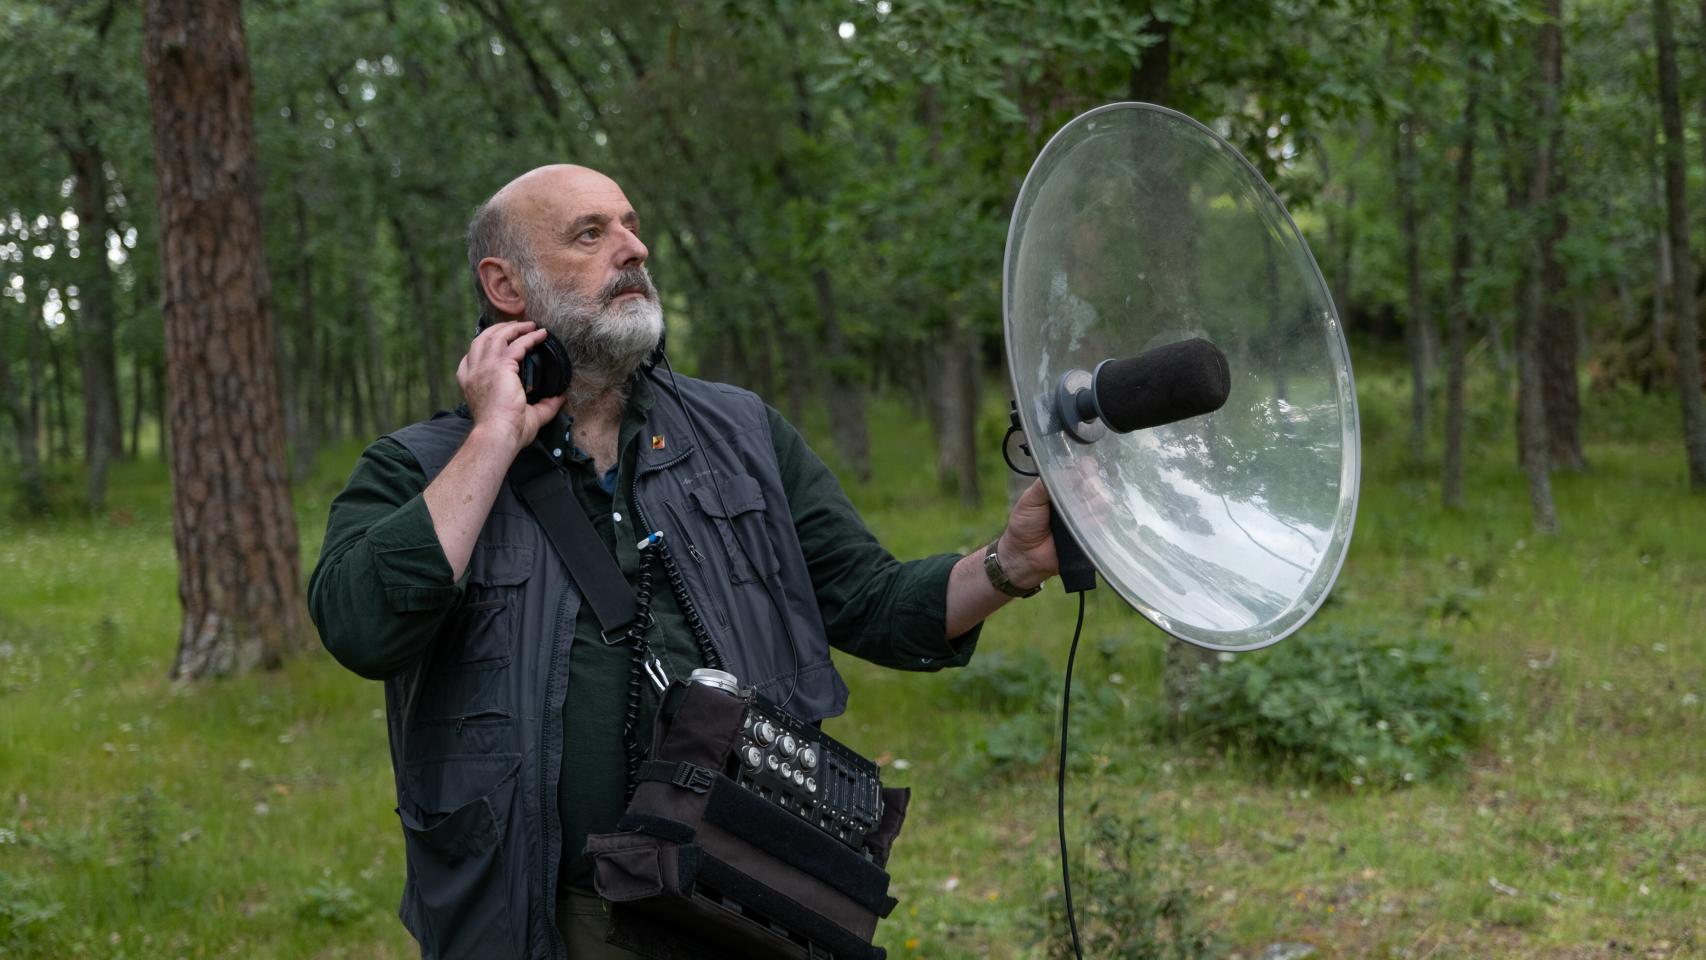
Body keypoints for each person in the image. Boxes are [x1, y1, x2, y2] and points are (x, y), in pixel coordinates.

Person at [308, 164, 1059, 959]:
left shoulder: (742, 433)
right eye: (590, 234)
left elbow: (871, 601)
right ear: (506, 285)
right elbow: (360, 628)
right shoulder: (419, 468)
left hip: (737, 900)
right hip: (538, 920)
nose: (633, 249)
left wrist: (1010, 562)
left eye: (630, 225)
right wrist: (493, 438)